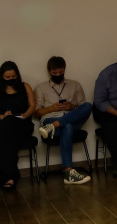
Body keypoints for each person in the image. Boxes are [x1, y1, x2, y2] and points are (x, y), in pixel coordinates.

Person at [0, 61, 36, 189]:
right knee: (8, 134)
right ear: (2, 77)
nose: (11, 79)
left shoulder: (25, 86)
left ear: (17, 75)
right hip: (7, 127)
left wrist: (25, 114)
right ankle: (11, 178)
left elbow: (32, 106)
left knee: (4, 135)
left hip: (24, 126)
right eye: (7, 77)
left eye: (13, 77)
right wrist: (3, 116)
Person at [35, 56, 92, 185]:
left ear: (65, 69)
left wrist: (72, 106)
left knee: (88, 106)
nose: (58, 75)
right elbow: (36, 113)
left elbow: (83, 108)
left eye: (61, 72)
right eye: (55, 73)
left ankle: (55, 125)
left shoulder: (75, 84)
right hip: (50, 119)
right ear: (49, 71)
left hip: (69, 118)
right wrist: (51, 108)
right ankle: (68, 171)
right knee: (68, 126)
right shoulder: (41, 88)